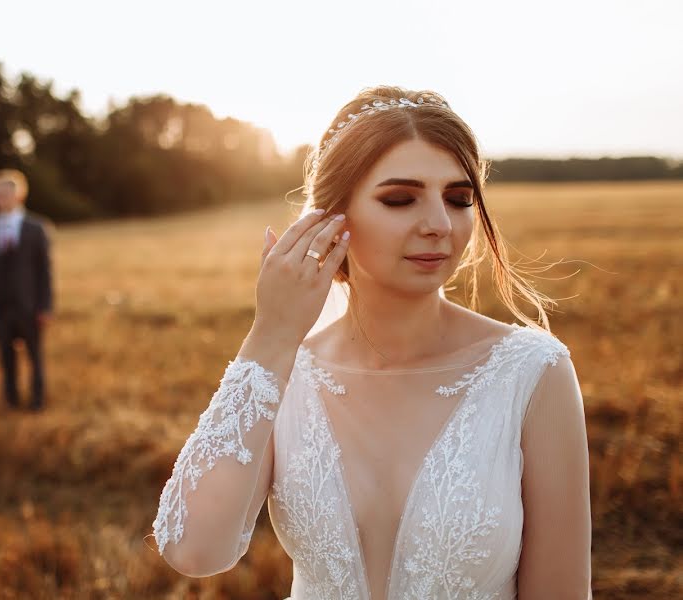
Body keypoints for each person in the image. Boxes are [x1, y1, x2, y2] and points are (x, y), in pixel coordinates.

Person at [150, 86, 593, 599]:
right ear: (330, 218)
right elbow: (193, 549)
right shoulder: (285, 372)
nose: (439, 225)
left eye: (459, 198)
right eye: (400, 199)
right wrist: (271, 337)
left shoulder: (533, 373)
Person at [0, 168, 53, 411]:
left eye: (5, 194)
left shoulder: (36, 228)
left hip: (29, 305)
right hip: (0, 306)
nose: (0, 199)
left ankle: (37, 403)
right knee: (5, 359)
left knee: (34, 357)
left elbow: (45, 271)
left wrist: (46, 306)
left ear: (19, 196)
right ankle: (10, 402)